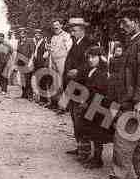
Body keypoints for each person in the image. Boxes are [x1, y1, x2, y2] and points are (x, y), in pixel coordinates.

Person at [99, 16, 140, 179]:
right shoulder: (137, 41)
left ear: (136, 21)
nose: (122, 27)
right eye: (120, 23)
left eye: (125, 22)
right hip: (137, 102)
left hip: (135, 104)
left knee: (123, 142)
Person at [74, 46, 113, 169]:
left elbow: (97, 91)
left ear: (100, 58)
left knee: (97, 132)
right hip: (93, 104)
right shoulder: (92, 70)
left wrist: (87, 102)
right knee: (93, 131)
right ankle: (95, 157)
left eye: (94, 57)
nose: (90, 60)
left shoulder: (101, 72)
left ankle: (97, 159)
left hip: (99, 105)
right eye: (89, 57)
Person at [63, 17, 96, 159]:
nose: (71, 32)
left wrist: (78, 71)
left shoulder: (89, 44)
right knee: (75, 118)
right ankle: (80, 147)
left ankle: (85, 151)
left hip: (83, 87)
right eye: (71, 29)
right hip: (72, 87)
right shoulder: (75, 43)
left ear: (82, 30)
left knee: (81, 119)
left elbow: (93, 63)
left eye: (74, 29)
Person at [47, 19, 73, 110]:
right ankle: (54, 102)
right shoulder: (53, 37)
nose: (55, 27)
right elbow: (51, 50)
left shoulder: (66, 35)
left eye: (57, 25)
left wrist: (67, 61)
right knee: (54, 82)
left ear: (61, 25)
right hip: (53, 60)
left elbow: (69, 48)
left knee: (62, 82)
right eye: (54, 25)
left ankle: (63, 106)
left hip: (62, 61)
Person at [16, 27, 35, 99]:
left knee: (28, 79)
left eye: (23, 32)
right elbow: (18, 53)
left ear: (26, 33)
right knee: (22, 79)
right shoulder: (19, 41)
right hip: (20, 63)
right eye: (20, 32)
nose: (22, 34)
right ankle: (24, 93)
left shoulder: (30, 40)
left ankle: (30, 94)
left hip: (28, 62)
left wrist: (31, 61)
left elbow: (33, 52)